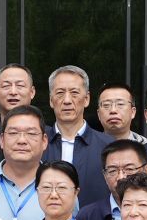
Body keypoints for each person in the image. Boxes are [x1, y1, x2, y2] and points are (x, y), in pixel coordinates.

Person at [44, 64, 108, 209]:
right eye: (60, 93)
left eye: (74, 93)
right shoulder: (37, 144)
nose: (67, 100)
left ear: (87, 99)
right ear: (51, 100)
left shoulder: (107, 146)